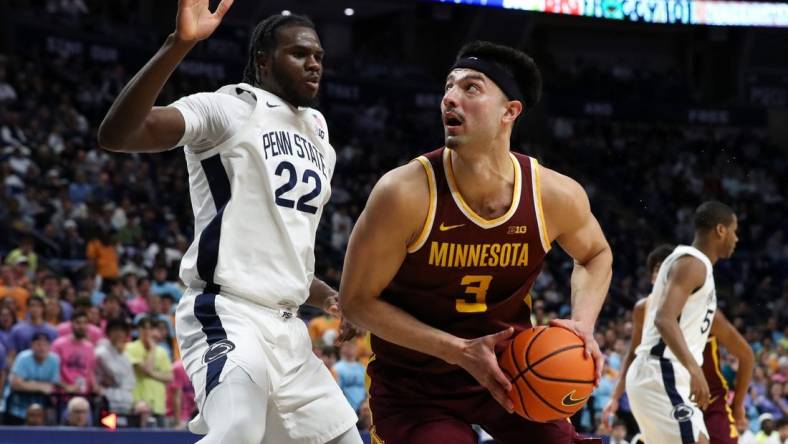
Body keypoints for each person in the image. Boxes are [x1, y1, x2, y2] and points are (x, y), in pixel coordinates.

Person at [98, 0, 360, 442]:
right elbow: (120, 133)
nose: (313, 63)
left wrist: (329, 296)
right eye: (299, 53)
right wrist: (178, 45)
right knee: (236, 428)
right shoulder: (230, 108)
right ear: (263, 60)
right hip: (227, 313)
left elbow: (283, 251)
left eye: (318, 55)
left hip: (288, 328)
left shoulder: (319, 132)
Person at [339, 41, 612, 443]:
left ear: (510, 111)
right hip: (414, 385)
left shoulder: (553, 195)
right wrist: (459, 350)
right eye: (449, 87)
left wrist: (582, 324)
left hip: (510, 372)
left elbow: (596, 254)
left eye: (471, 88)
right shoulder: (404, 193)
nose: (450, 97)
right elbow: (356, 302)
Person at [603, 243, 754, 444]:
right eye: (657, 270)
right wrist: (615, 397)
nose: (662, 276)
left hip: (710, 398)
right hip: (667, 388)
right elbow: (632, 354)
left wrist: (738, 405)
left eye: (667, 269)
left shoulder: (703, 309)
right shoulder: (645, 309)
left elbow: (746, 355)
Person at [626, 201, 739, 444]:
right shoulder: (693, 263)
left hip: (667, 376)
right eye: (734, 230)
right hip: (660, 371)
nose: (736, 238)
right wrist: (695, 368)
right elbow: (664, 319)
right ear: (720, 230)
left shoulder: (697, 265)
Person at [6, 333, 62, 425]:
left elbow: (52, 385)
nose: (42, 348)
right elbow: (15, 384)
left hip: (42, 410)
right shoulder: (23, 357)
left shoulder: (54, 359)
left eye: (45, 344)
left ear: (50, 346)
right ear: (31, 345)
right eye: (38, 344)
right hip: (18, 408)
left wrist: (28, 383)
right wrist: (40, 387)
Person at [125, 316, 172, 425]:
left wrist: (150, 373)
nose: (147, 332)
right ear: (138, 330)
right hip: (139, 404)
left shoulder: (162, 351)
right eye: (144, 328)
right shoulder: (130, 348)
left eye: (150, 328)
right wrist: (151, 349)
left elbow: (169, 377)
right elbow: (146, 369)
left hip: (159, 405)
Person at [51, 310, 98, 395]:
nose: (82, 326)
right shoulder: (58, 345)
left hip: (85, 395)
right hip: (63, 395)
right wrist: (66, 387)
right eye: (78, 323)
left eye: (85, 323)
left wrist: (95, 386)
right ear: (71, 324)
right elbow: (52, 372)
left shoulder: (90, 347)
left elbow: (90, 372)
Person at [95, 318, 136, 414]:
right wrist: (119, 354)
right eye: (116, 330)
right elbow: (118, 377)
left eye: (122, 330)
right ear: (109, 332)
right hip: (107, 400)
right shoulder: (101, 352)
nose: (119, 333)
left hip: (126, 401)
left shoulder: (126, 354)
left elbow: (131, 381)